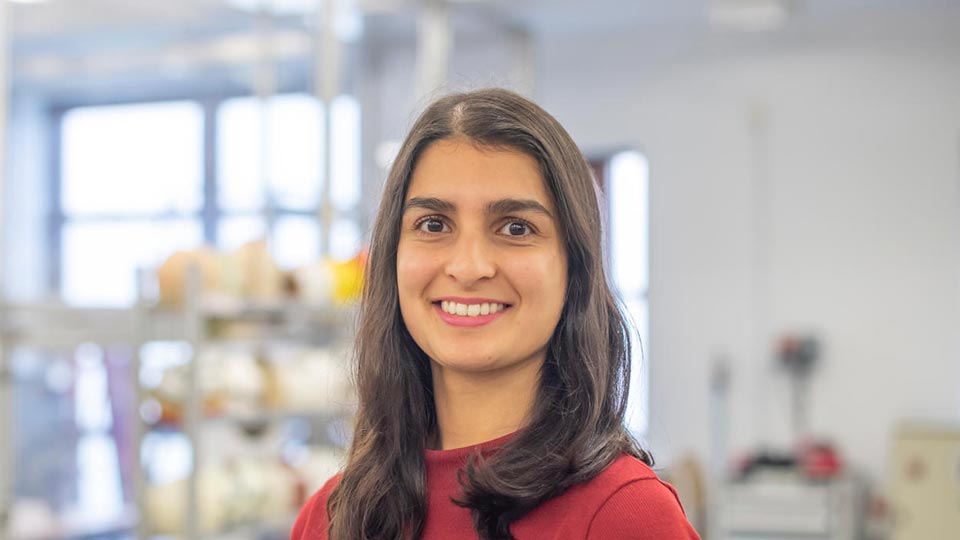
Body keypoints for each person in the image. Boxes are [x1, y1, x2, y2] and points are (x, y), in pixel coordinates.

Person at [291, 88, 701, 540]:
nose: (468, 267)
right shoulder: (332, 517)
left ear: (574, 268)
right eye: (433, 225)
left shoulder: (625, 515)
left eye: (516, 227)